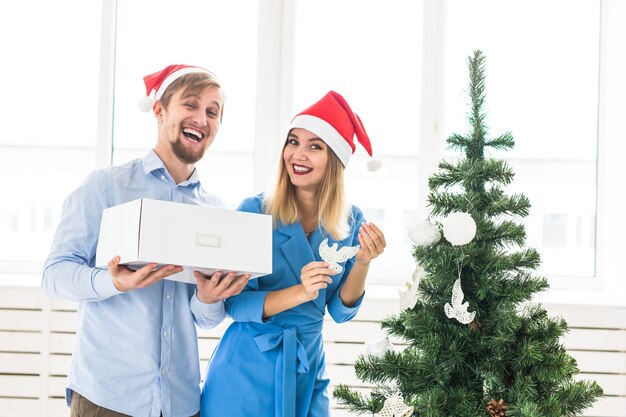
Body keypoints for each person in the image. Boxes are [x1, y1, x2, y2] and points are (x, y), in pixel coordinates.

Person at [41, 64, 250, 417]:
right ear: (159, 110)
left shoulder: (214, 212)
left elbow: (204, 318)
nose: (202, 117)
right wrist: (112, 281)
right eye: (191, 104)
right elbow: (54, 276)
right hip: (107, 399)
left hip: (180, 402)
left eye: (212, 112)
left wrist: (209, 297)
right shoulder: (106, 187)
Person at [199, 91, 386, 417]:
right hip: (245, 368)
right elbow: (235, 303)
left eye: (315, 146)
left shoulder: (351, 220)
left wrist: (363, 262)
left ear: (336, 160)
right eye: (293, 142)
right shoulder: (254, 211)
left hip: (307, 367)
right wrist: (300, 292)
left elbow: (341, 313)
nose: (298, 155)